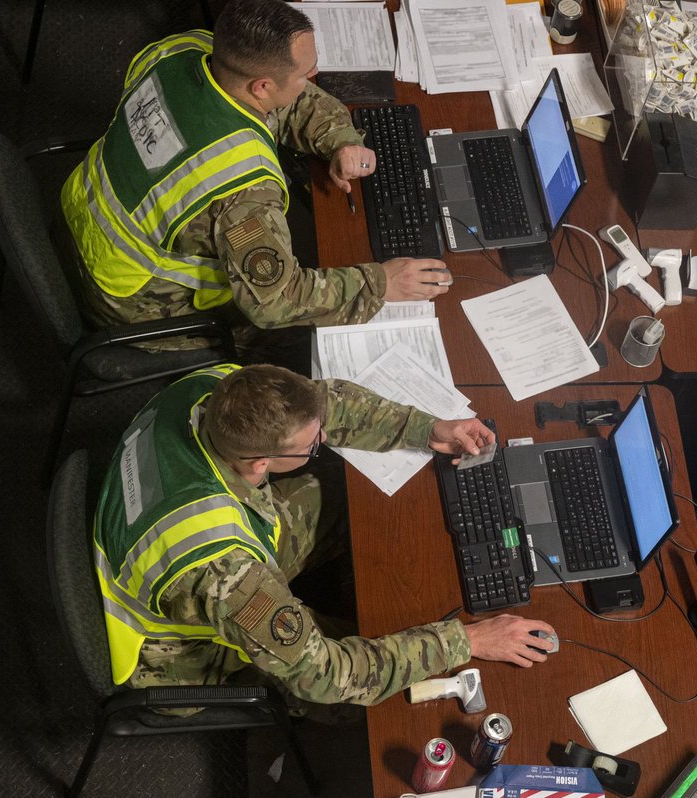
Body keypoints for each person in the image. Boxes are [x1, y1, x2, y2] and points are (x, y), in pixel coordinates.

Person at [93, 363, 554, 711]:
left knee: (330, 491)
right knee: (376, 672)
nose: (322, 441)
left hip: (182, 539)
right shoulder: (227, 575)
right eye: (310, 446)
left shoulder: (211, 390)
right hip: (182, 653)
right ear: (259, 464)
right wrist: (467, 642)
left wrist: (427, 428)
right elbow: (329, 676)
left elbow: (321, 404)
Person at [61, 0, 451, 355]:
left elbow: (288, 99)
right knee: (300, 336)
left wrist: (340, 140)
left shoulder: (183, 49)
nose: (315, 74)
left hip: (85, 214)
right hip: (133, 301)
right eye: (306, 72)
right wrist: (380, 283)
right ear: (262, 86)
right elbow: (277, 302)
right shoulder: (242, 188)